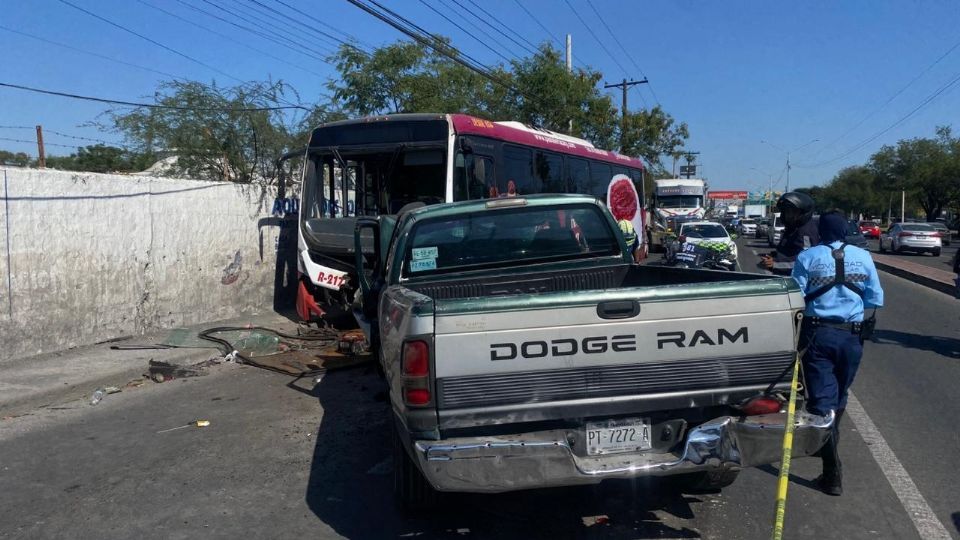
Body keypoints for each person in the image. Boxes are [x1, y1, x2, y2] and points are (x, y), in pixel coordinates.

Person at [791, 211, 884, 496]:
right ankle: (828, 439)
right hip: (852, 336)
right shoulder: (864, 257)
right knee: (839, 395)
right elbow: (874, 297)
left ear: (821, 231)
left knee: (821, 401)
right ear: (846, 230)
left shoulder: (808, 258)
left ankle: (832, 471)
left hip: (818, 334)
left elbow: (795, 295)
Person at [761, 192, 819, 274]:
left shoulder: (805, 231)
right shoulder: (793, 229)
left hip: (799, 283)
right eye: (786, 211)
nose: (787, 215)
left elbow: (806, 260)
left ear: (802, 213)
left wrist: (776, 264)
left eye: (791, 212)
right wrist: (775, 257)